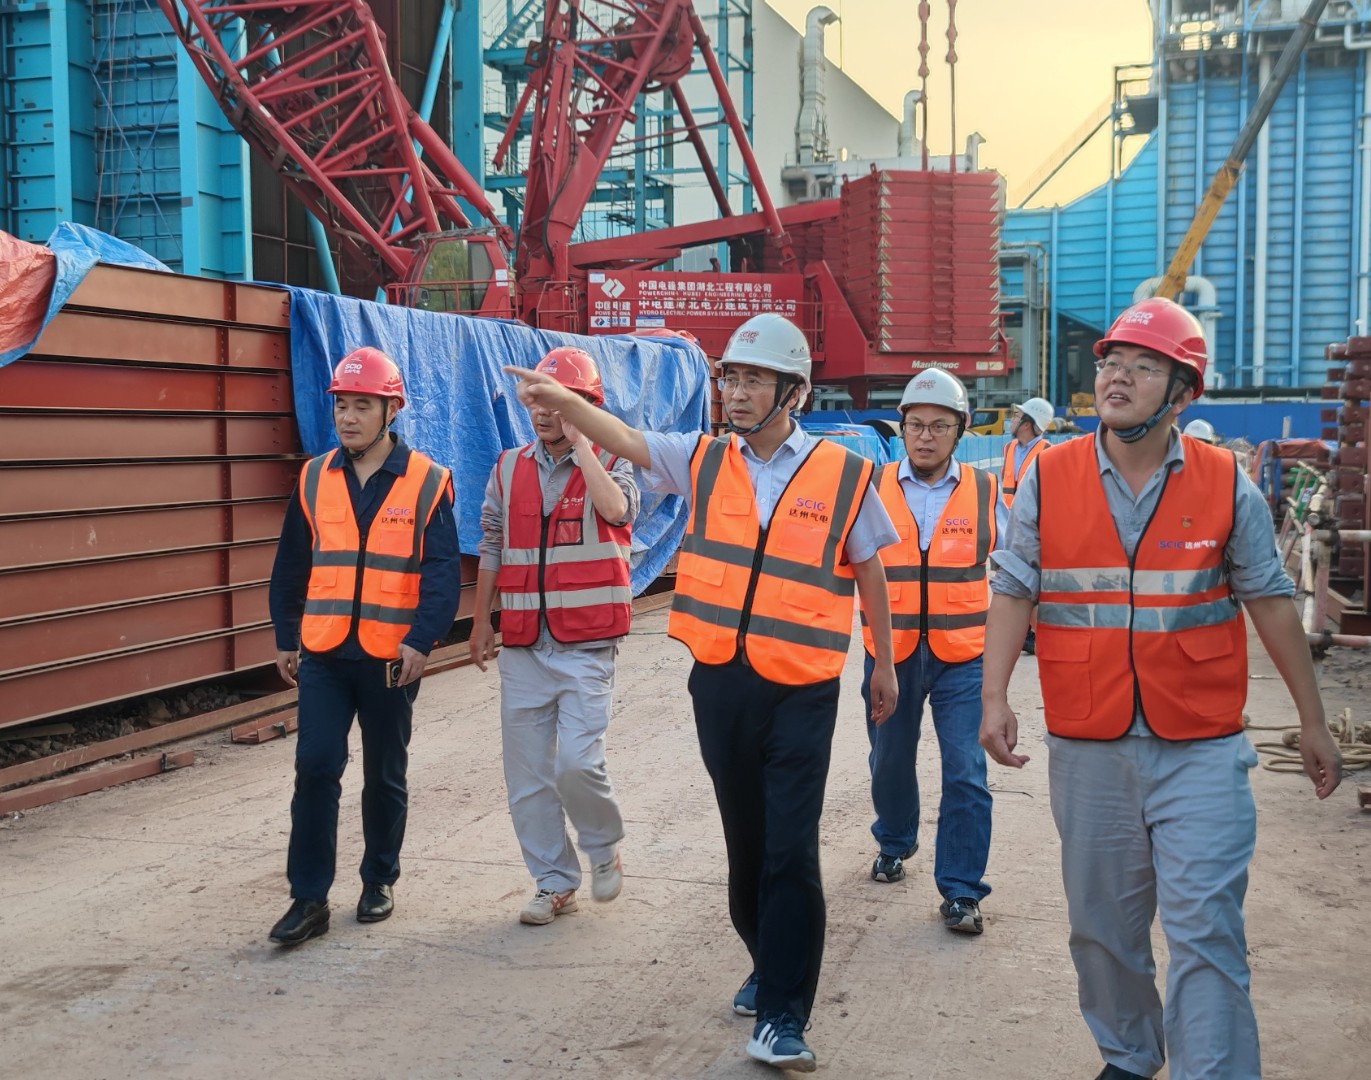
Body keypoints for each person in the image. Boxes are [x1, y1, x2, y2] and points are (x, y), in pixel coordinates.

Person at [505, 312, 899, 1075]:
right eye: (731, 378)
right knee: (746, 847)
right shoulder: (702, 459)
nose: (737, 392)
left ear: (794, 391)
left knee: (790, 850)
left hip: (804, 689)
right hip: (720, 682)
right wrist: (564, 400)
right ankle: (765, 959)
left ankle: (784, 1015)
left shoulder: (844, 473)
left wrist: (882, 661)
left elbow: (871, 568)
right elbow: (623, 439)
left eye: (753, 380)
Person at [980, 297, 1343, 1080]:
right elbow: (1013, 586)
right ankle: (1128, 1054)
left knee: (1205, 928)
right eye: (1112, 362)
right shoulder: (1048, 475)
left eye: (1144, 367)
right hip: (1090, 741)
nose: (1117, 377)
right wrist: (992, 696)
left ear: (1182, 394)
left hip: (1199, 744)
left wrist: (1312, 721)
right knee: (1101, 929)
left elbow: (1269, 600)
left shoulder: (1222, 483)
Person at [267, 346, 461, 946]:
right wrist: (285, 635)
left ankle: (378, 879)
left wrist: (422, 641)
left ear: (390, 410)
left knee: (384, 773)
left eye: (362, 406)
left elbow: (442, 571)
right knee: (315, 767)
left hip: (389, 658)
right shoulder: (313, 478)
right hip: (324, 653)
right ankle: (308, 898)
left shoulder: (426, 481)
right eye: (341, 405)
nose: (348, 417)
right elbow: (291, 563)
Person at [468, 346, 636, 926]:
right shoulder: (507, 467)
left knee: (576, 765)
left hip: (586, 645)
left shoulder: (613, 458)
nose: (543, 413)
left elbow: (618, 512)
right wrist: (481, 620)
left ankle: (602, 845)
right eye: (537, 401)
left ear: (586, 406)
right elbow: (492, 542)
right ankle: (553, 881)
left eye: (558, 402)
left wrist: (584, 443)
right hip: (524, 644)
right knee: (528, 777)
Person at [859, 369, 1006, 936]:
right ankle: (895, 840)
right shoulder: (870, 487)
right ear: (902, 429)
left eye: (939, 426)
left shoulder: (986, 492)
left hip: (964, 658)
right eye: (916, 425)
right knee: (889, 761)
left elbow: (1018, 569)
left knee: (966, 769)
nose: (925, 436)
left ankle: (962, 890)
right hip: (889, 655)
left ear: (959, 430)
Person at [999, 396, 1054, 509]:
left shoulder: (1049, 452)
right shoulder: (1008, 448)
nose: (1012, 420)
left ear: (1026, 425)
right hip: (1007, 516)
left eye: (1017, 416)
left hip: (1033, 517)